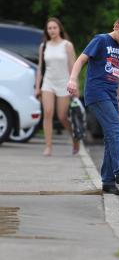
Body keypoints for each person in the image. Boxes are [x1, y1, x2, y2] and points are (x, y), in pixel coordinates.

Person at [67, 13, 119, 196]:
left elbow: (117, 75)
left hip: (111, 95)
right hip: (96, 92)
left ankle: (108, 181)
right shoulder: (101, 40)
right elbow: (81, 59)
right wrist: (73, 80)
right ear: (117, 26)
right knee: (116, 130)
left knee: (112, 135)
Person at [35, 17, 80, 156]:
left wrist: (75, 85)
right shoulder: (44, 46)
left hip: (64, 83)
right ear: (47, 31)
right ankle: (48, 146)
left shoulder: (67, 45)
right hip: (48, 82)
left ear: (59, 28)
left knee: (62, 116)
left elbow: (73, 66)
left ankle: (75, 138)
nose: (52, 30)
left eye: (54, 27)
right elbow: (40, 68)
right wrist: (37, 87)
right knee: (47, 113)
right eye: (49, 28)